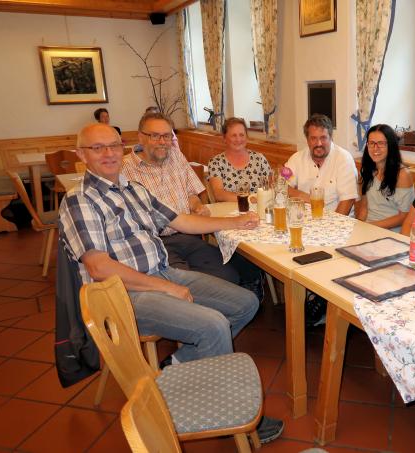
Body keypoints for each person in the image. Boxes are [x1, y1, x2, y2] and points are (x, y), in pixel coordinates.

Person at [59, 122, 284, 442]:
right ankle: (225, 411)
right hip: (123, 293)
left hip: (162, 271)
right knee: (213, 325)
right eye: (98, 148)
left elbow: (180, 220)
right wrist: (166, 288)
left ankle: (175, 369)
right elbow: (98, 267)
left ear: (123, 148)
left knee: (246, 302)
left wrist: (234, 222)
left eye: (113, 145)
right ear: (81, 154)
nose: (108, 153)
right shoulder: (79, 200)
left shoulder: (134, 189)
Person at [121, 113, 263, 298]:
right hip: (155, 243)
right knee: (190, 286)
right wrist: (235, 221)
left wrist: (197, 206)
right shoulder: (124, 170)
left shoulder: (176, 157)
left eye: (167, 136)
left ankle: (230, 310)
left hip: (188, 236)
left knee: (233, 272)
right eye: (155, 135)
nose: (162, 141)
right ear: (140, 136)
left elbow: (191, 193)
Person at [284, 114, 358, 215]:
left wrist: (332, 226)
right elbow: (281, 186)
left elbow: (347, 201)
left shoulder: (344, 159)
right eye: (313, 138)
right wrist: (306, 197)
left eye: (323, 138)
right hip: (304, 219)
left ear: (331, 138)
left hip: (335, 221)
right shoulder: (297, 158)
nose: (319, 143)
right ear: (307, 140)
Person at [356, 124, 414, 231]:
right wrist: (359, 227)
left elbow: (404, 216)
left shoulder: (402, 175)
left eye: (381, 143)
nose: (375, 148)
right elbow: (364, 208)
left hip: (391, 233)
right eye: (371, 143)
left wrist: (371, 226)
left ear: (390, 146)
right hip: (368, 228)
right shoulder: (366, 170)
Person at [207, 117, 272, 201]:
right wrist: (249, 199)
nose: (238, 139)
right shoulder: (216, 163)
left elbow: (270, 186)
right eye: (233, 135)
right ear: (224, 138)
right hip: (227, 212)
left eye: (241, 135)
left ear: (247, 137)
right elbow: (219, 194)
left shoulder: (259, 159)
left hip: (257, 209)